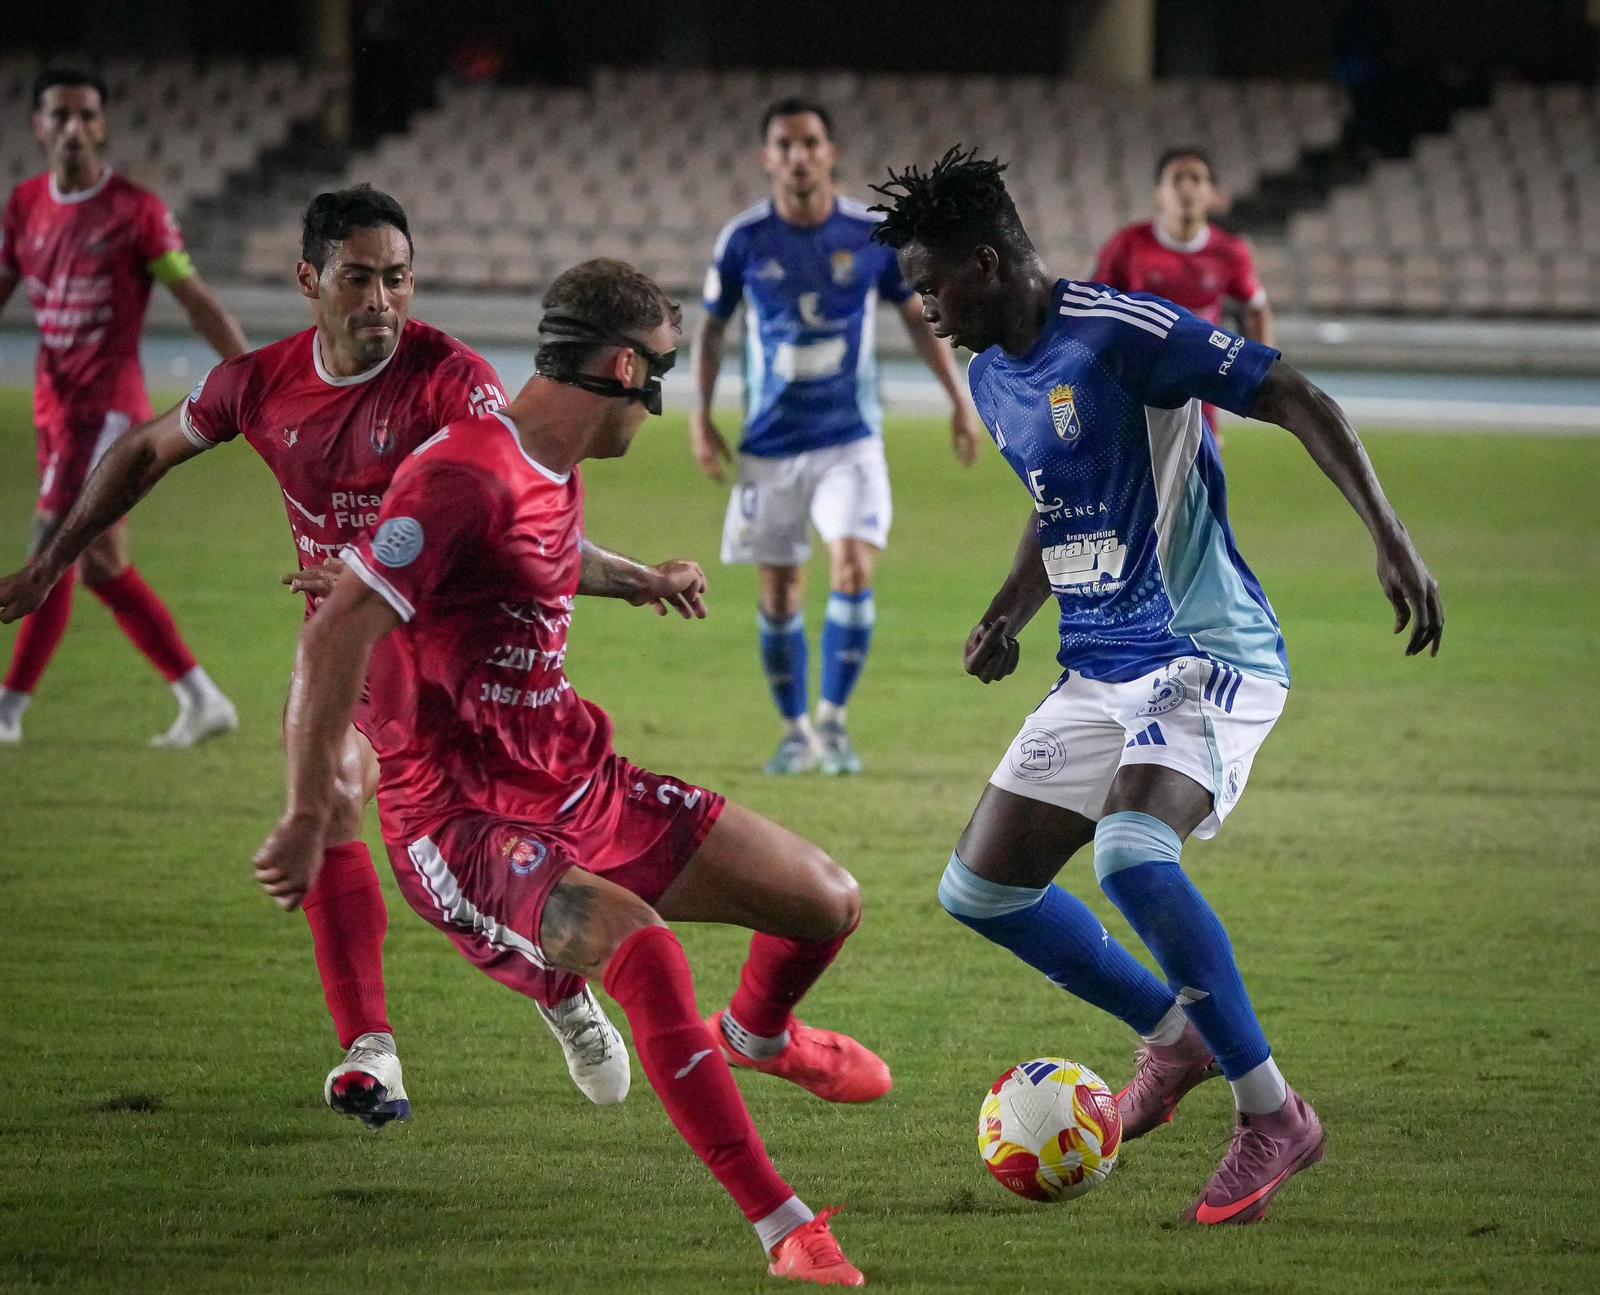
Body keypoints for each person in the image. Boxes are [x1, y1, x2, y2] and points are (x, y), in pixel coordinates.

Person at [254, 259, 887, 1284]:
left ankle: (760, 1035)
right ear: (623, 365)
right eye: (664, 375)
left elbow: (538, 549)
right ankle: (785, 1227)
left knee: (825, 899)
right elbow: (338, 631)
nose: (664, 398)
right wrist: (299, 809)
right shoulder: (465, 468)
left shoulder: (545, 462)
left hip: (574, 775)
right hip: (457, 818)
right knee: (642, 949)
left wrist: (640, 581)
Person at [870, 148, 1442, 1225]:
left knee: (1133, 853)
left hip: (1202, 651)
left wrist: (1390, 536)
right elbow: (1061, 496)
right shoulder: (997, 367)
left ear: (984, 263)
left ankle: (1273, 1112)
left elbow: (1290, 390)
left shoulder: (1120, 331)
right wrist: (1006, 608)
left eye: (929, 283)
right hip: (1096, 664)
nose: (923, 307)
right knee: (979, 890)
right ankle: (1173, 1039)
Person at [0, 185, 630, 1128]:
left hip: (455, 661)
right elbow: (141, 451)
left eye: (399, 278)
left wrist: (630, 577)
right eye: (360, 277)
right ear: (310, 280)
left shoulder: (454, 382)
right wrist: (51, 560)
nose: (382, 299)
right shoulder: (257, 385)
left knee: (454, 872)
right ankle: (369, 1048)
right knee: (332, 797)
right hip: (346, 647)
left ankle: (557, 993)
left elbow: (521, 520)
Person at [692, 98, 979, 776]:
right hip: (769, 443)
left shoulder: (870, 234)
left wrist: (958, 397)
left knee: (853, 566)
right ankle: (794, 730)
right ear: (769, 157)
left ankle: (834, 722)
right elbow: (710, 328)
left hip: (850, 437)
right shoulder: (743, 240)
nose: (798, 155)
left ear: (829, 153)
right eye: (785, 145)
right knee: (782, 590)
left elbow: (916, 318)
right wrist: (701, 417)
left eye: (810, 142)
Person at [0, 68, 247, 747]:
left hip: (106, 407)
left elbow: (194, 298)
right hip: (52, 405)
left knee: (50, 542)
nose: (72, 127)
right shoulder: (23, 204)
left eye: (85, 115)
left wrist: (251, 376)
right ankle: (201, 699)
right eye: (59, 115)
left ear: (102, 125)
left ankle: (6, 712)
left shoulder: (136, 211)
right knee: (102, 563)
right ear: (37, 126)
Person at [1092, 148, 1273, 448]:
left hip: (1201, 394)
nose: (1186, 187)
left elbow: (1256, 309)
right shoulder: (1127, 245)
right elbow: (1093, 309)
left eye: (1196, 179)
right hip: (1137, 388)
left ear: (1213, 194)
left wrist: (1260, 377)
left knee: (1199, 488)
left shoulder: (1229, 251)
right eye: (1177, 179)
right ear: (1159, 193)